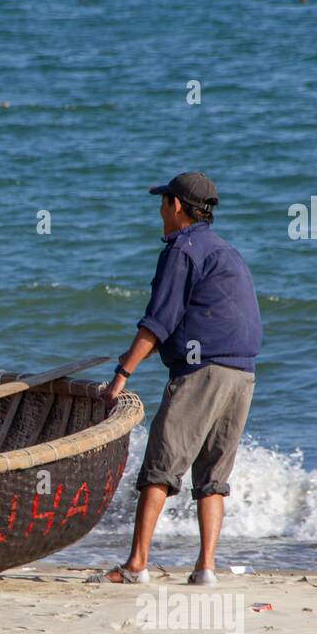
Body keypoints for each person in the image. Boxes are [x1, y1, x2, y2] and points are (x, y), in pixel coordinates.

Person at [101, 172, 262, 585]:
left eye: (163, 203)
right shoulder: (226, 251)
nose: (159, 211)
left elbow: (159, 321)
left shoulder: (182, 250)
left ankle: (136, 565)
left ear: (176, 206)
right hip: (242, 373)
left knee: (160, 466)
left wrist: (123, 372)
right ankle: (206, 567)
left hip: (203, 371)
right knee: (213, 476)